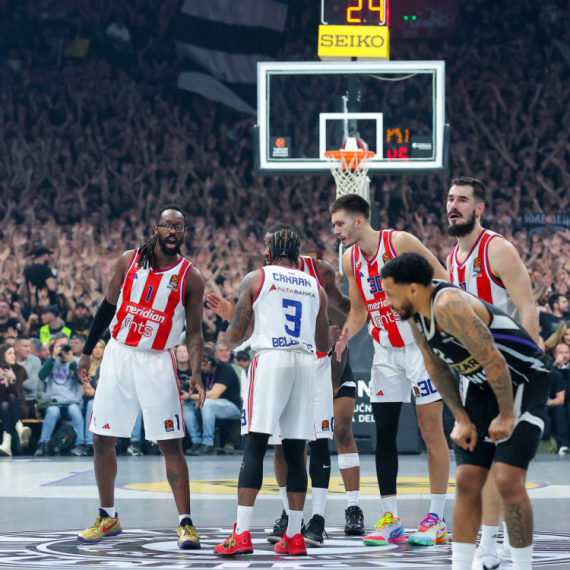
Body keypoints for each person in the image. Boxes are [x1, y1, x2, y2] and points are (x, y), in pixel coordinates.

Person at [380, 252, 550, 570]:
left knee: (506, 478)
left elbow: (495, 361)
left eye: (390, 293)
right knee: (468, 479)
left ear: (413, 288)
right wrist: (461, 418)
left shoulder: (448, 305)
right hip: (481, 385)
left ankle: (523, 566)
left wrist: (506, 416)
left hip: (522, 379)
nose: (387, 302)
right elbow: (436, 366)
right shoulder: (416, 315)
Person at [208, 221, 360, 546]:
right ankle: (294, 536)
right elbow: (322, 342)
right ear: (296, 252)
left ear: (270, 251)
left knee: (255, 443)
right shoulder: (315, 285)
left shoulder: (257, 278)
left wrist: (230, 324)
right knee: (294, 449)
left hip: (271, 361)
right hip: (305, 365)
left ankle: (241, 534)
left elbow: (236, 336)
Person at [76, 204, 206, 550]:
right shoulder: (128, 260)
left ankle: (186, 523)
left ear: (184, 233)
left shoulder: (191, 277)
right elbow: (107, 307)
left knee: (170, 444)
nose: (173, 231)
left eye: (179, 227)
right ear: (155, 229)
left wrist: (195, 371)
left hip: (157, 360)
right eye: (167, 225)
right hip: (118, 354)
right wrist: (87, 350)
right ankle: (107, 516)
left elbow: (195, 332)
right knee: (102, 439)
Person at [331, 194, 450, 546]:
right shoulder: (350, 259)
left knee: (431, 431)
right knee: (384, 434)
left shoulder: (399, 242)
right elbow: (358, 310)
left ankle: (437, 518)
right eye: (333, 225)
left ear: (359, 221)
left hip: (419, 347)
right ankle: (391, 518)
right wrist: (345, 336)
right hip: (384, 352)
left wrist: (416, 306)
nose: (336, 231)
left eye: (339, 223)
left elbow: (442, 279)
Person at [446, 176, 540, 568]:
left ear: (479, 208)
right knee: (476, 470)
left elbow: (528, 308)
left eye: (463, 200)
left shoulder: (497, 249)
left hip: (511, 371)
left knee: (505, 472)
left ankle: (502, 550)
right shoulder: (451, 258)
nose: (454, 206)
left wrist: (523, 366)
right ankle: (487, 547)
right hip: (476, 376)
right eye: (450, 199)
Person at [182, 348, 242, 456]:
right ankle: (196, 441)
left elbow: (214, 395)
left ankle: (208, 443)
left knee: (207, 403)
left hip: (232, 407)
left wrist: (189, 396)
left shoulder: (225, 369)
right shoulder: (203, 372)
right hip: (212, 405)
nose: (201, 367)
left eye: (204, 364)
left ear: (212, 362)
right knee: (186, 405)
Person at [34, 334, 85, 457]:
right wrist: (52, 357)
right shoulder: (51, 361)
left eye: (64, 345)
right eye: (59, 346)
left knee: (74, 410)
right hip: (54, 402)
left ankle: (81, 444)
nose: (62, 348)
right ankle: (43, 444)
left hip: (72, 402)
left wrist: (72, 361)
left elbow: (81, 380)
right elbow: (41, 376)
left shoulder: (77, 361)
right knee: (52, 411)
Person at [0, 343, 30, 456]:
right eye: (9, 353)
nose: (13, 356)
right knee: (4, 405)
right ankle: (20, 429)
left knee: (8, 403)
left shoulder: (20, 370)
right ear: (2, 356)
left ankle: (6, 444)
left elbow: (18, 394)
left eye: (14, 353)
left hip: (18, 406)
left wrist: (12, 380)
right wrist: (2, 379)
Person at [83, 340, 106, 456]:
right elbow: (85, 389)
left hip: (105, 398)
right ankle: (88, 442)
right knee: (90, 404)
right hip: (90, 399)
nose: (98, 350)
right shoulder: (87, 367)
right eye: (95, 347)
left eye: (101, 347)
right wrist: (94, 393)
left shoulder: (108, 366)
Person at [14, 335, 43, 418]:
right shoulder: (10, 359)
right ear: (16, 347)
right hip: (13, 399)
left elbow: (32, 385)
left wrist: (13, 380)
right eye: (25, 346)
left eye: (29, 346)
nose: (28, 349)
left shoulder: (35, 360)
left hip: (29, 400)